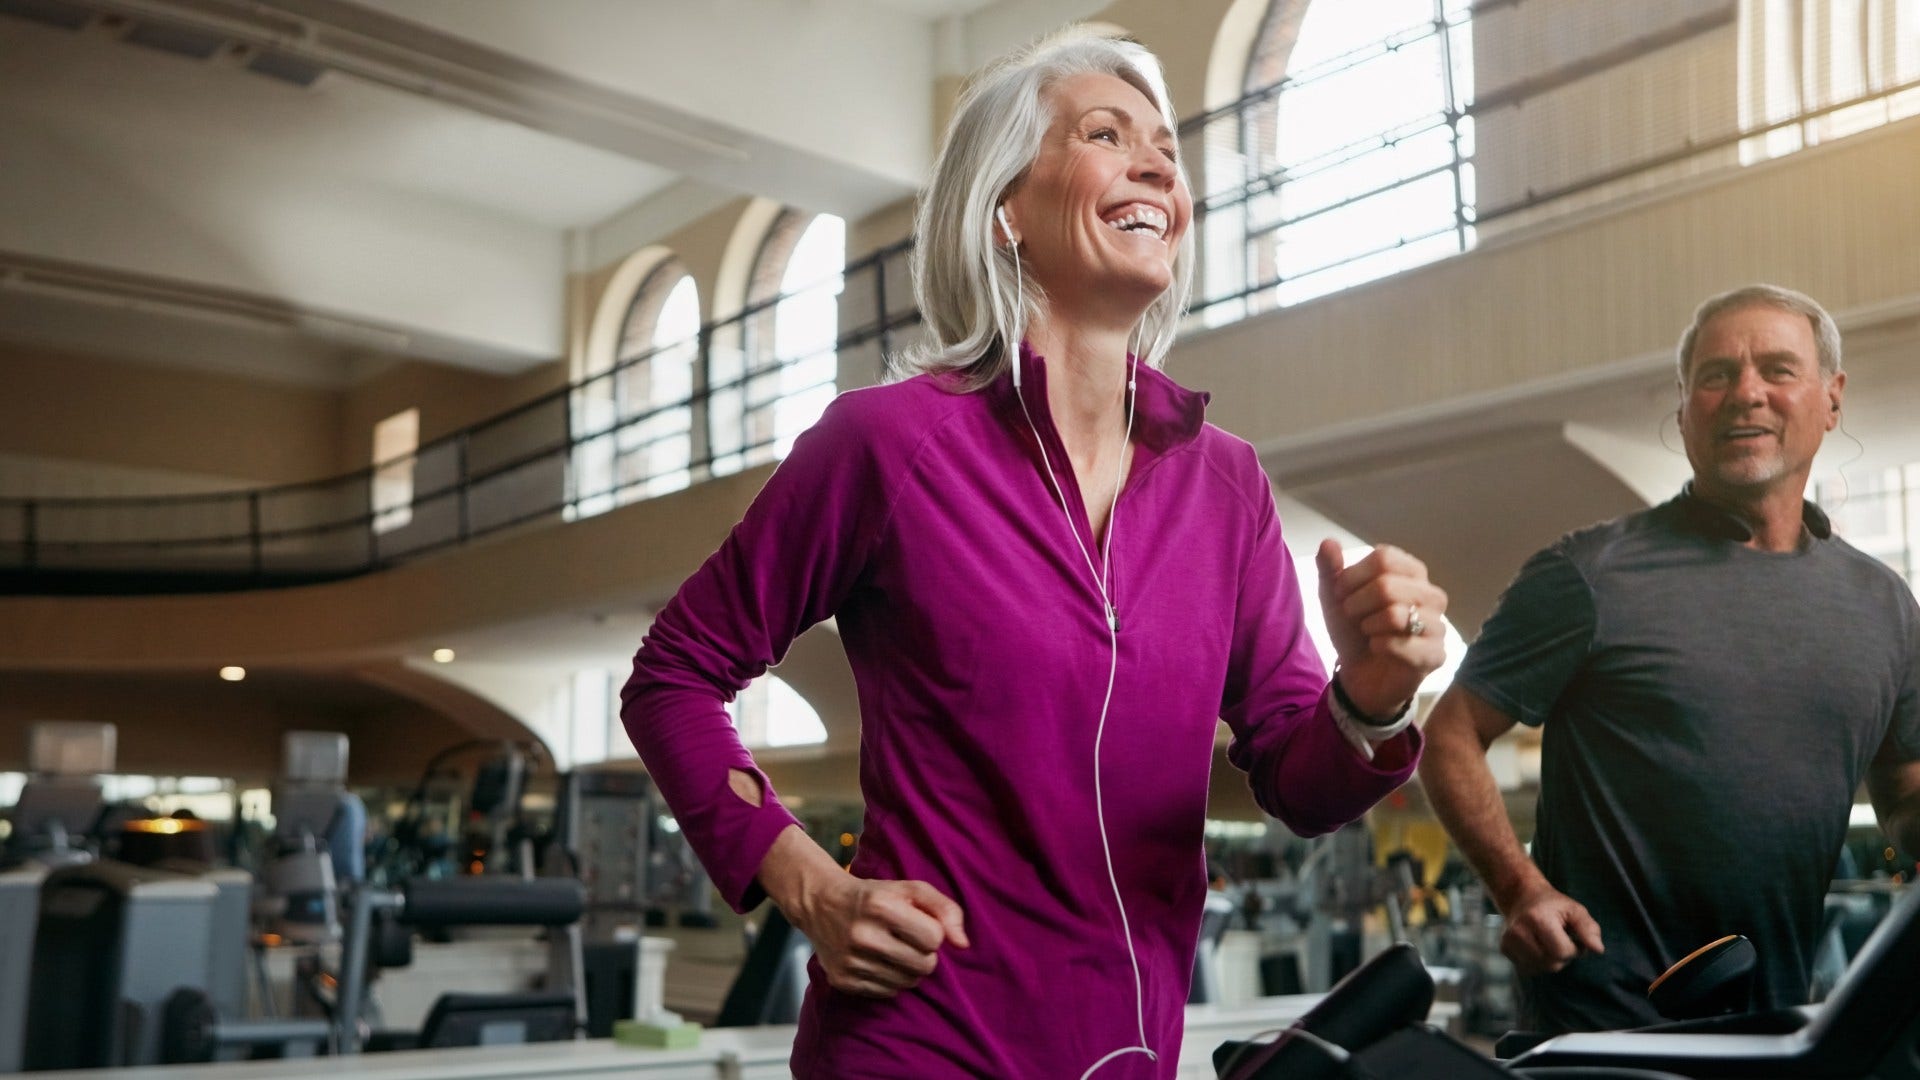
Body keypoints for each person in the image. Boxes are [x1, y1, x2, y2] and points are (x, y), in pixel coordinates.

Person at [621, 30, 1447, 1078]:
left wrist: (1372, 698)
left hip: (1126, 1049)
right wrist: (808, 887)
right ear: (1006, 207)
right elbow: (674, 676)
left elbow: (1300, 781)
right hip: (920, 1037)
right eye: (1108, 136)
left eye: (1168, 150)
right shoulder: (889, 445)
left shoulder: (1226, 483)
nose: (1157, 166)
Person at [1418, 283, 1920, 1035]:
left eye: (1778, 370)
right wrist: (1520, 889)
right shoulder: (1588, 574)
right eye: (1717, 376)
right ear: (1685, 409)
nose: (1746, 393)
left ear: (1831, 399)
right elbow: (1449, 734)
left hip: (1783, 1021)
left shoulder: (1884, 607)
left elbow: (1905, 798)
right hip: (1603, 1023)